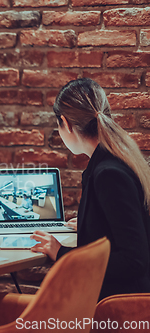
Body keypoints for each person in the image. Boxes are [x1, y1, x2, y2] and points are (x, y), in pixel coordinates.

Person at [31, 78, 150, 300]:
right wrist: (90, 225)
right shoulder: (119, 159)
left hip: (117, 307)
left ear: (65, 123)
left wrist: (61, 253)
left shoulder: (108, 174)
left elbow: (134, 260)